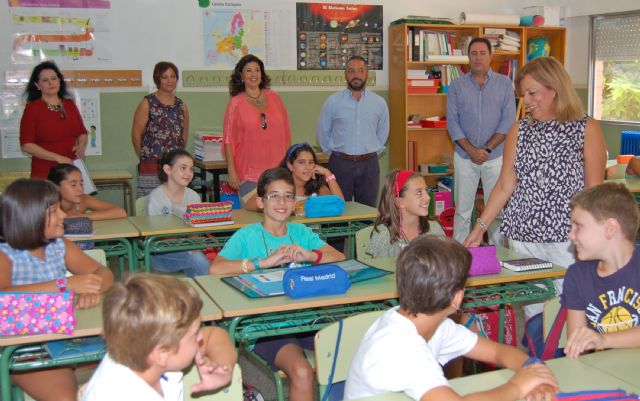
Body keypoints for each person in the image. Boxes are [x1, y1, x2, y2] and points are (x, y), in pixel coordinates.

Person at [465, 56, 607, 317]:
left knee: (571, 310)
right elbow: (504, 185)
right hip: (523, 237)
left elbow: (594, 193)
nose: (527, 101)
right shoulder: (519, 131)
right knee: (535, 314)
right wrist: (479, 228)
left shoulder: (586, 128)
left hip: (567, 237)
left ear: (554, 89)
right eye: (523, 95)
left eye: (532, 93)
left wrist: (587, 235)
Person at [345, 236, 558, 401]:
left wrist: (534, 371)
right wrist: (517, 386)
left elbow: (496, 351)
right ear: (457, 298)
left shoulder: (432, 325)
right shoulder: (402, 348)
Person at [210, 167, 344, 401]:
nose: (282, 202)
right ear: (260, 202)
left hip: (307, 316)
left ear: (294, 202)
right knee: (301, 371)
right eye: (274, 196)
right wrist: (261, 263)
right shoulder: (247, 235)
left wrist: (310, 255)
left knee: (352, 355)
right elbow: (215, 268)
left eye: (288, 196)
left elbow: (339, 257)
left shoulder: (301, 232)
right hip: (266, 324)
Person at [0, 178, 114, 401]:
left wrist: (90, 290)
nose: (63, 215)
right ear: (29, 217)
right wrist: (64, 285)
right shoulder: (5, 253)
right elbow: (3, 295)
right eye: (54, 211)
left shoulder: (60, 246)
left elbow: (104, 273)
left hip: (69, 336)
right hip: (25, 349)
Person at [81, 274, 237, 401]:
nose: (201, 336)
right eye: (195, 334)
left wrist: (223, 368)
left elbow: (215, 334)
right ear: (162, 354)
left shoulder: (136, 348)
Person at [447, 37, 516, 244]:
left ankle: (498, 254)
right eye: (474, 53)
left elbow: (508, 121)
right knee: (462, 211)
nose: (478, 58)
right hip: (464, 157)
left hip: (495, 158)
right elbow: (452, 123)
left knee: (495, 210)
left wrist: (486, 149)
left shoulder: (505, 84)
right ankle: (460, 255)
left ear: (490, 56)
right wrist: (472, 151)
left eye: (482, 53)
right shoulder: (457, 86)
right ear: (468, 57)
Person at [561, 182, 640, 358]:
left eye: (578, 225)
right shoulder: (577, 275)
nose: (570, 235)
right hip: (603, 369)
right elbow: (577, 348)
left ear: (610, 228)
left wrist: (604, 340)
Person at [316, 55, 389, 207]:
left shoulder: (379, 103)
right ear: (345, 74)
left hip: (369, 164)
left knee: (368, 209)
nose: (356, 75)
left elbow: (383, 133)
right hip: (340, 164)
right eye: (351, 71)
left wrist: (369, 151)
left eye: (360, 70)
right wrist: (335, 155)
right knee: (339, 208)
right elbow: (323, 133)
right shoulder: (333, 102)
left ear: (367, 74)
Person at [223, 54, 291, 211]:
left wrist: (289, 164)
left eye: (257, 70)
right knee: (259, 213)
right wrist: (231, 170)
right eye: (248, 70)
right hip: (248, 174)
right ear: (241, 75)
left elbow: (287, 133)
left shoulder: (275, 98)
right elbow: (228, 139)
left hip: (278, 172)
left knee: (279, 214)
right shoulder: (236, 103)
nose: (253, 74)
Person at [146, 149, 210, 277]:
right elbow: (161, 237)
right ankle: (216, 286)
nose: (188, 173)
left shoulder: (193, 197)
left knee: (196, 264)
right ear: (167, 169)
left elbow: (195, 232)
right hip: (161, 254)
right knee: (195, 258)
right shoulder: (155, 198)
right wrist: (189, 246)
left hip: (187, 251)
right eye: (183, 168)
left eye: (191, 169)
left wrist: (194, 244)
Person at [20, 61, 88, 179]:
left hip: (71, 169)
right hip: (45, 171)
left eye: (54, 78)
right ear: (37, 85)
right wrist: (58, 158)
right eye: (45, 80)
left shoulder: (69, 104)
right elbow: (26, 145)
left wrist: (81, 146)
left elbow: (82, 132)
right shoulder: (32, 108)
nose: (51, 83)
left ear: (59, 81)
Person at [132, 61, 189, 197]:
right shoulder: (147, 103)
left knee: (175, 203)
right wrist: (145, 158)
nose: (169, 81)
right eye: (165, 77)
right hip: (152, 166)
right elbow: (135, 135)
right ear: (157, 79)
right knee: (151, 203)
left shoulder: (181, 106)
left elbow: (184, 135)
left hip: (175, 167)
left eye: (173, 77)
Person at [366, 169, 444, 258]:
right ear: (399, 202)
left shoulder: (434, 230)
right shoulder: (383, 235)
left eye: (426, 190)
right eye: (419, 192)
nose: (428, 197)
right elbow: (378, 267)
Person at [280, 142, 344, 215]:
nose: (307, 167)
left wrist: (327, 173)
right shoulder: (280, 187)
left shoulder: (317, 187)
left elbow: (340, 204)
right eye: (301, 162)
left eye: (311, 162)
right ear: (290, 165)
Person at [48, 163, 127, 220]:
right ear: (56, 187)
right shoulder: (45, 204)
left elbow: (120, 212)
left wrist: (79, 217)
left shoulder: (83, 199)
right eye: (73, 185)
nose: (80, 189)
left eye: (81, 184)